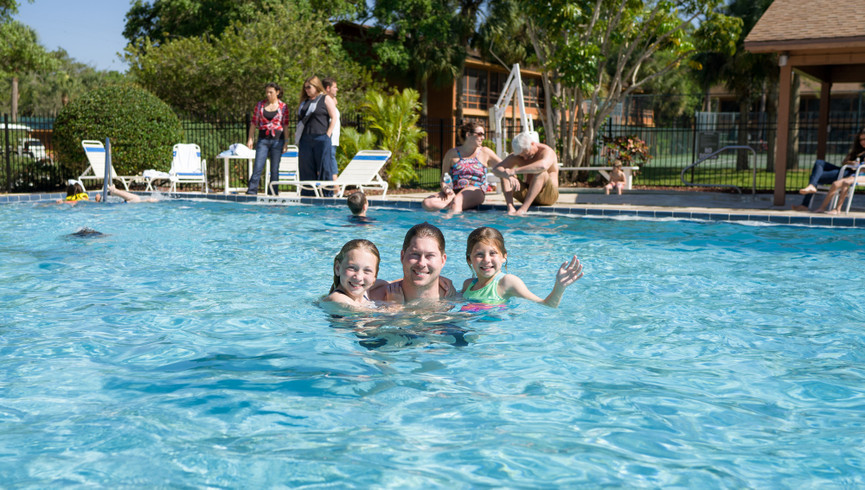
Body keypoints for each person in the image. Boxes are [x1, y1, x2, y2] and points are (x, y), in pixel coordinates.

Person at [460, 227, 583, 308]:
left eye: (493, 253)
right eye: (479, 255)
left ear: (504, 256)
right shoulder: (468, 285)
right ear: (469, 259)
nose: (486, 260)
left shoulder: (507, 282)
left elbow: (546, 305)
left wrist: (559, 287)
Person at [422, 121, 501, 215]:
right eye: (480, 134)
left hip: (475, 190)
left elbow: (504, 165)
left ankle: (450, 226)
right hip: (454, 192)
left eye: (483, 134)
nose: (483, 137)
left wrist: (512, 173)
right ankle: (456, 208)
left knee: (457, 201)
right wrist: (446, 189)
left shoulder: (485, 152)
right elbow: (443, 177)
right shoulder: (452, 153)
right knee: (428, 203)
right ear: (468, 134)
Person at [368, 222, 457, 304]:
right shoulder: (373, 298)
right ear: (402, 257)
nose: (422, 263)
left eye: (430, 255)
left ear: (443, 260)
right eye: (415, 254)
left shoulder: (456, 300)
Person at [793, 129, 865, 211]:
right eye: (861, 139)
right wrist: (851, 163)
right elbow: (844, 162)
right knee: (819, 162)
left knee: (815, 177)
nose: (862, 142)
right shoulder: (857, 150)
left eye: (864, 139)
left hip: (850, 173)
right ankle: (811, 187)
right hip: (845, 169)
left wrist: (858, 165)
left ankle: (806, 202)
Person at [492, 131, 559, 216]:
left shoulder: (547, 151)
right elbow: (495, 169)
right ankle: (510, 208)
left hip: (548, 196)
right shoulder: (518, 155)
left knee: (540, 172)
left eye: (527, 153)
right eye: (522, 156)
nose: (525, 158)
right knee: (505, 173)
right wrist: (507, 175)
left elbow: (543, 166)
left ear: (533, 144)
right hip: (527, 194)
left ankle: (523, 209)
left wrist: (515, 171)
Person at [296, 76, 338, 197]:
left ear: (316, 86)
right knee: (306, 168)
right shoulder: (304, 102)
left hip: (321, 138)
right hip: (306, 139)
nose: (307, 90)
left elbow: (333, 117)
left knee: (325, 167)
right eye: (305, 88)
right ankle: (308, 195)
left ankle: (327, 195)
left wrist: (328, 133)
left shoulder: (325, 99)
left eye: (309, 87)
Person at [246, 82, 290, 195]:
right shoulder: (260, 105)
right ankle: (251, 191)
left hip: (277, 140)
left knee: (275, 169)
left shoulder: (283, 107)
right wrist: (250, 138)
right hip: (263, 140)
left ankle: (273, 192)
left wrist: (286, 142)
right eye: (267, 92)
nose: (268, 94)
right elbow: (253, 123)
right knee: (258, 166)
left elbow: (285, 125)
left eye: (271, 92)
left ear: (277, 92)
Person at [322, 239, 385, 310]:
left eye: (367, 270)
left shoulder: (365, 291)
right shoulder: (337, 299)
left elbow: (394, 283)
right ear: (337, 268)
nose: (359, 277)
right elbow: (373, 316)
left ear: (375, 276)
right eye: (351, 268)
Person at [56, 182, 157, 205]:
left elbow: (73, 203)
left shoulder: (69, 201)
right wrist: (96, 201)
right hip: (103, 206)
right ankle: (115, 191)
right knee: (135, 199)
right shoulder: (85, 200)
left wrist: (61, 202)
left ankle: (145, 200)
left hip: (101, 206)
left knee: (134, 200)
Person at [322, 77, 341, 196]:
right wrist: (328, 135)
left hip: (333, 140)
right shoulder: (325, 100)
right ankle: (336, 189)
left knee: (332, 162)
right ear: (328, 88)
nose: (337, 89)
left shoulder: (330, 100)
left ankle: (335, 188)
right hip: (330, 138)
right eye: (335, 87)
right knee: (331, 164)